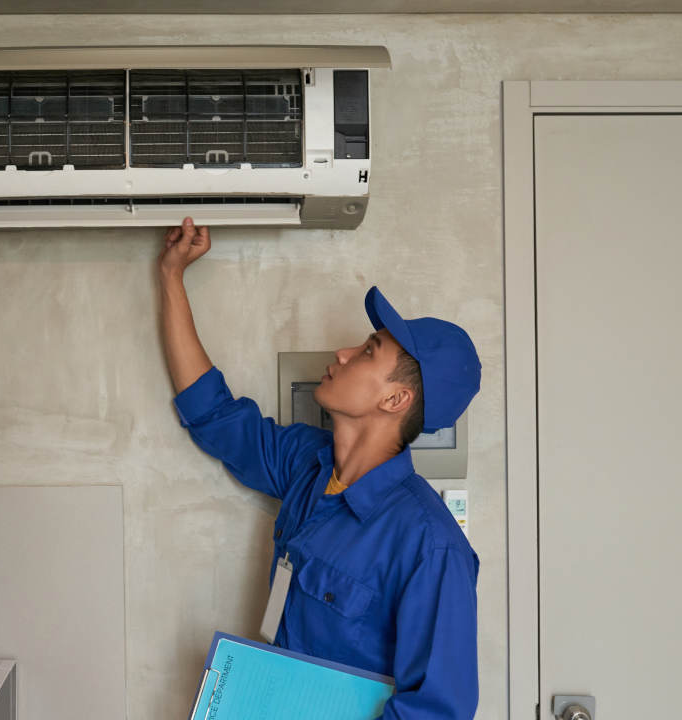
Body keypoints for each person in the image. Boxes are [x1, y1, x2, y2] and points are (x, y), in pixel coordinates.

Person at [157, 216, 482, 720]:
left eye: (368, 352)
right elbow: (214, 414)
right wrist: (171, 277)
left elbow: (436, 713)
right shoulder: (306, 465)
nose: (343, 352)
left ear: (396, 398)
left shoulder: (430, 546)